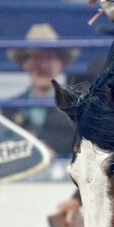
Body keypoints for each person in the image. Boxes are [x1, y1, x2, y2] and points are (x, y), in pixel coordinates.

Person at [7, 23, 78, 155]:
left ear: (60, 64)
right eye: (36, 58)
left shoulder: (76, 108)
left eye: (49, 58)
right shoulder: (9, 109)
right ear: (25, 64)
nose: (43, 66)